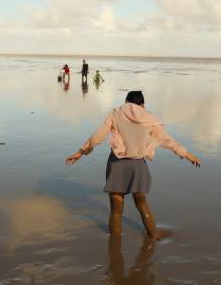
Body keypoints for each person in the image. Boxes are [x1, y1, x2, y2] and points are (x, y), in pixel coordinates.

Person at [65, 91, 202, 239]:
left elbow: (97, 137)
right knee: (142, 204)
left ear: (126, 101)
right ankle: (154, 235)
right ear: (142, 104)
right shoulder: (148, 118)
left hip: (116, 164)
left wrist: (81, 151)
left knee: (116, 211)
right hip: (137, 166)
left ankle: (115, 245)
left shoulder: (115, 114)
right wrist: (187, 154)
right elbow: (167, 140)